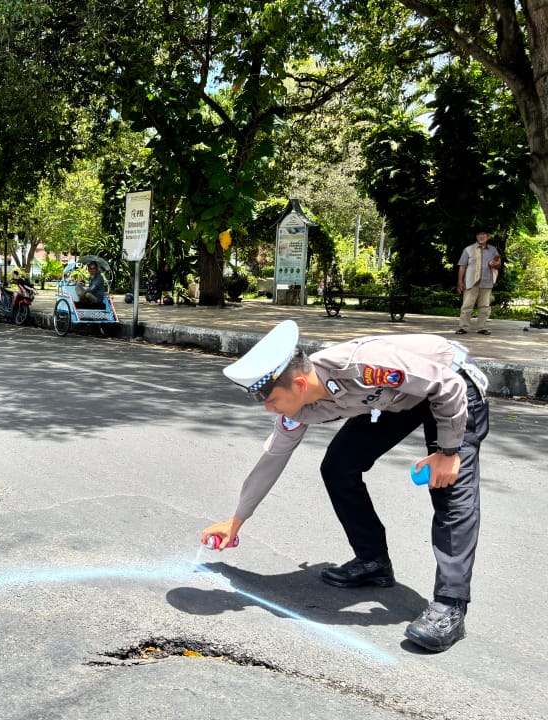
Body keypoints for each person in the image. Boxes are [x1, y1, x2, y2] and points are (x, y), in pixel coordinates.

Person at [204, 320, 490, 652]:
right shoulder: (301, 404)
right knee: (339, 466)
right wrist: (236, 521)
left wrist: (448, 452)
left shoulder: (362, 366)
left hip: (451, 384)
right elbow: (273, 457)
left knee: (450, 491)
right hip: (397, 398)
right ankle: (373, 562)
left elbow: (447, 385)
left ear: (299, 384)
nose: (268, 407)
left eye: (271, 399)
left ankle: (450, 606)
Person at [456, 228, 503, 335]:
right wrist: (460, 281)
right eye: (479, 234)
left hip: (487, 282)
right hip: (471, 282)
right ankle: (463, 327)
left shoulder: (493, 250)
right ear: (476, 236)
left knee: (485, 306)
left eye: (484, 234)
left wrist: (495, 264)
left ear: (488, 236)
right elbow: (462, 266)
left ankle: (482, 328)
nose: (481, 236)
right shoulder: (468, 249)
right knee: (467, 305)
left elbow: (498, 265)